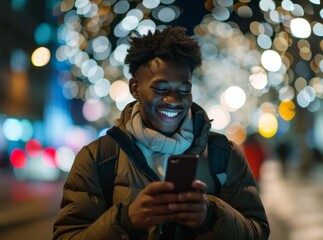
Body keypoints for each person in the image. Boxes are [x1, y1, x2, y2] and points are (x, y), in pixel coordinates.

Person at [53, 26, 270, 240]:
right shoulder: (97, 158)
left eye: (184, 90)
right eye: (161, 89)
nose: (173, 99)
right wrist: (126, 221)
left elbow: (258, 231)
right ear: (135, 88)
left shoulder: (223, 154)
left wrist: (211, 216)